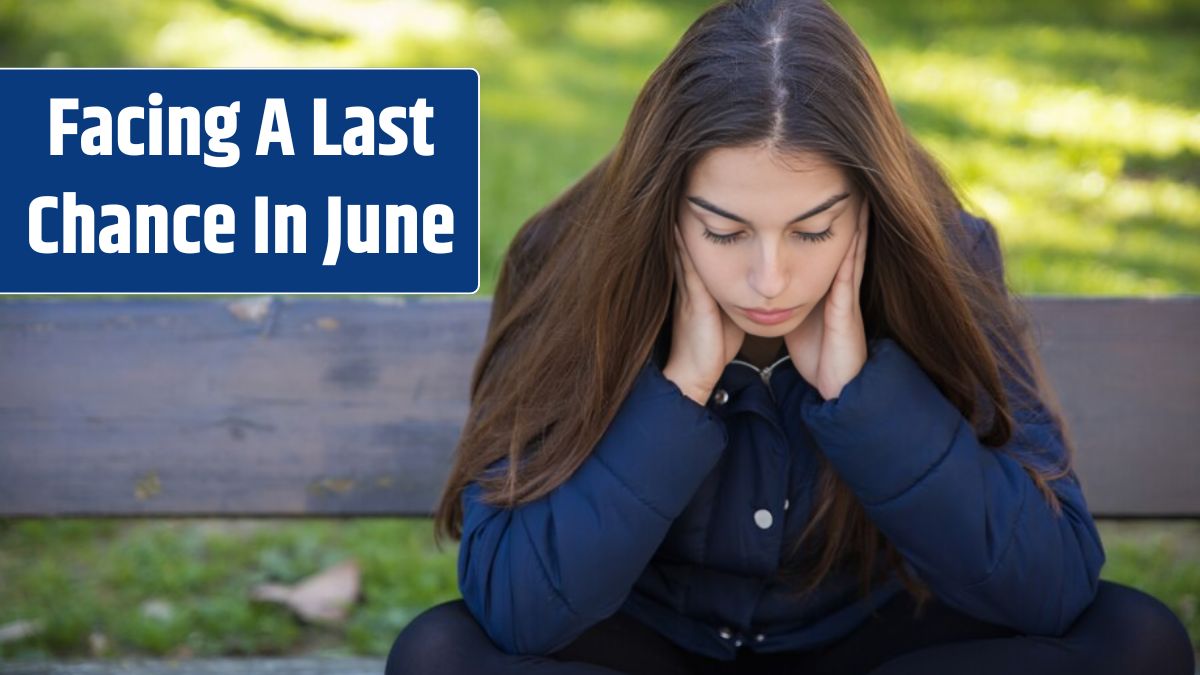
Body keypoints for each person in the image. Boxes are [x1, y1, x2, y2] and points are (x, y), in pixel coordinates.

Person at [387, 0, 1195, 672]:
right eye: (724, 231)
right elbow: (515, 605)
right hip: (650, 642)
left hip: (869, 643)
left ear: (866, 206)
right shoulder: (569, 256)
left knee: (1137, 640)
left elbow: (1053, 583)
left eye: (813, 231)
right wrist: (680, 392)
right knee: (440, 655)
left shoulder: (941, 258)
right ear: (665, 208)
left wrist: (866, 398)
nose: (768, 279)